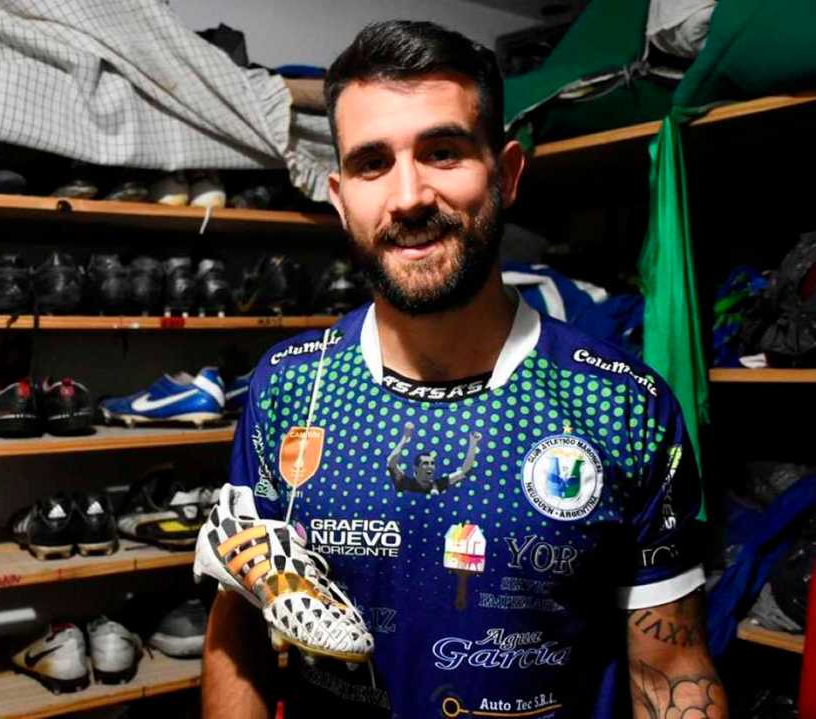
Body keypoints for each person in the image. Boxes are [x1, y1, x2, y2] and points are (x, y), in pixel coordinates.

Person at [203, 20, 726, 719]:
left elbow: (672, 668)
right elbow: (238, 623)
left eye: (443, 152)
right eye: (372, 163)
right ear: (339, 196)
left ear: (506, 174)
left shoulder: (622, 403)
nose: (409, 196)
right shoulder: (290, 386)